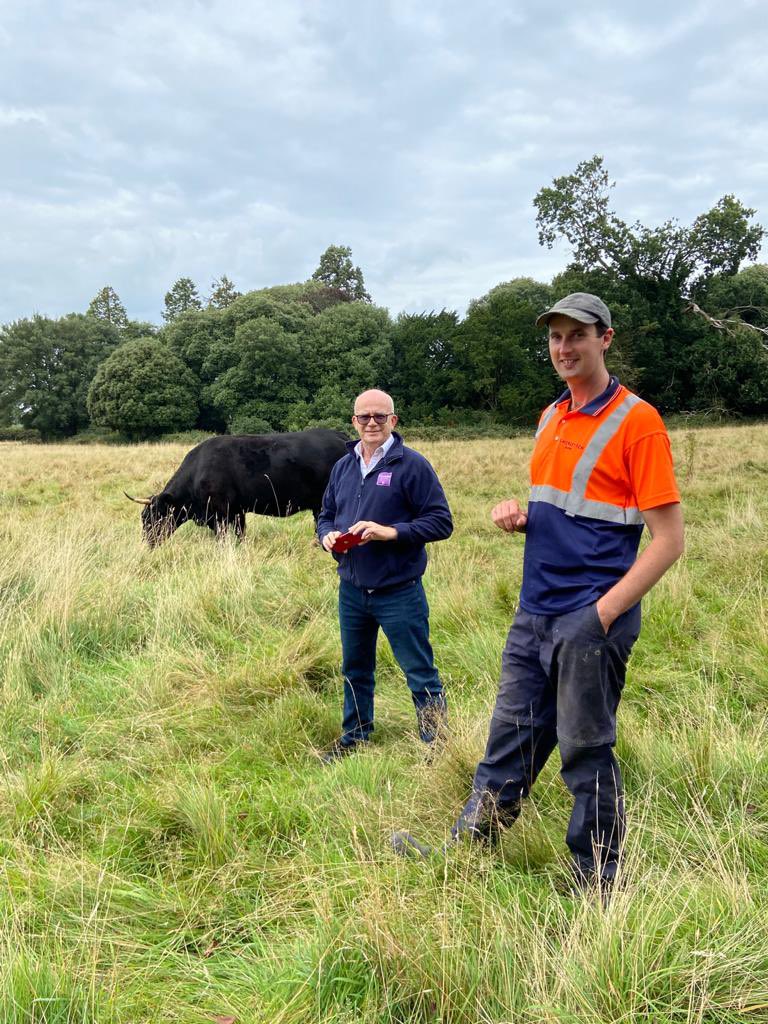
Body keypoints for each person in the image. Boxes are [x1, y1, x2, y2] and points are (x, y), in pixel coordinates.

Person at [392, 293, 684, 891]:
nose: (564, 347)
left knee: (585, 751)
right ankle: (465, 853)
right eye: (555, 336)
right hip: (534, 612)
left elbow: (669, 540)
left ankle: (597, 882)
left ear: (605, 338)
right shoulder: (551, 416)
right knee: (508, 742)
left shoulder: (638, 422)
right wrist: (523, 518)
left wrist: (600, 615)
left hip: (590, 619)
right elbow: (573, 511)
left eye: (577, 335)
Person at [316, 389, 453, 763]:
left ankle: (438, 747)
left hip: (399, 591)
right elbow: (325, 514)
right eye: (364, 417)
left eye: (380, 416)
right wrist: (326, 535)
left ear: (393, 420)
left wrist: (390, 532)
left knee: (419, 670)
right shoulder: (343, 467)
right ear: (354, 422)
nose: (372, 423)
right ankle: (355, 737)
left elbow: (441, 522)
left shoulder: (412, 465)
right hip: (352, 590)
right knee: (355, 669)